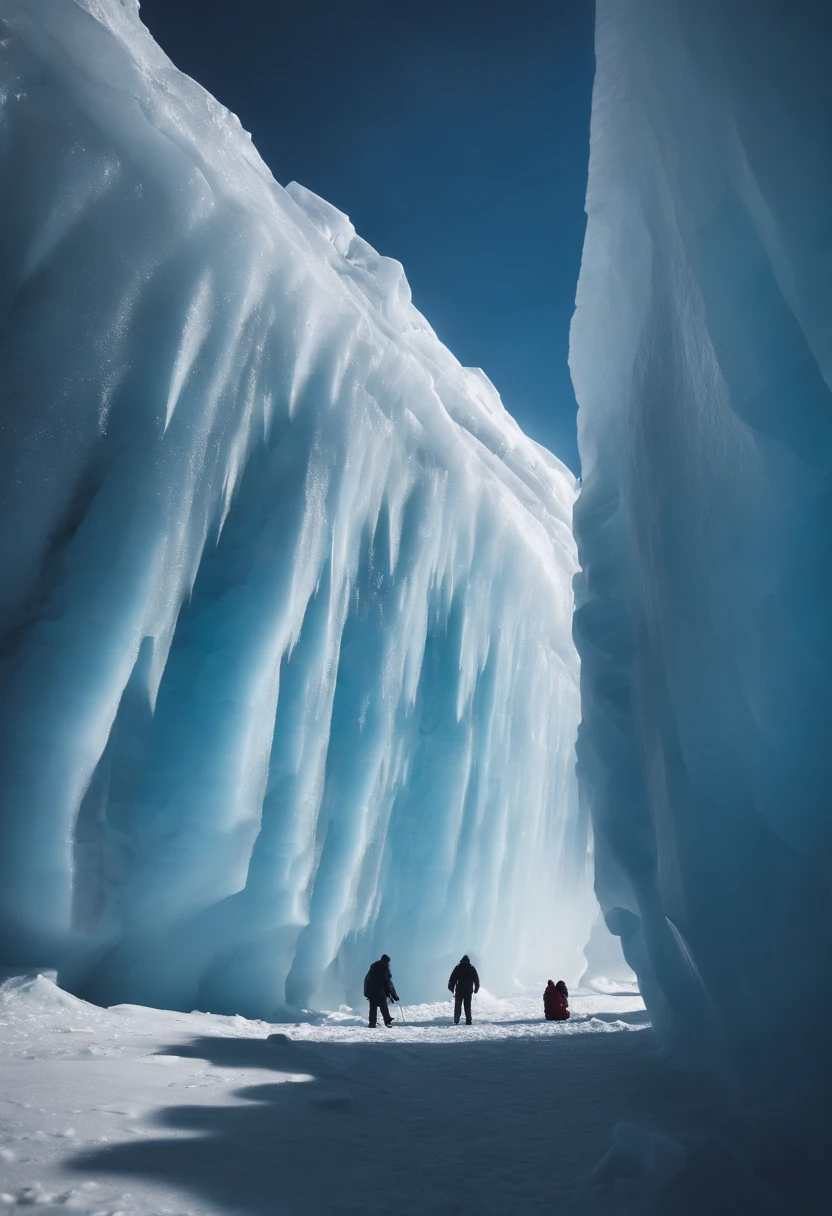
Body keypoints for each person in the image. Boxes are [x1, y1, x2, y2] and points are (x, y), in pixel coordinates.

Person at [364, 953, 399, 1027]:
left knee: (373, 1006)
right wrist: (392, 995)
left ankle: (372, 1023)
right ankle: (387, 1021)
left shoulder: (374, 965)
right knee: (383, 1005)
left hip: (370, 989)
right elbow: (385, 981)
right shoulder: (384, 966)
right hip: (377, 989)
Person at [448, 954, 480, 1025]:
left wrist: (451, 988)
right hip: (468, 991)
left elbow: (452, 979)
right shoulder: (471, 968)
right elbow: (476, 980)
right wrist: (476, 989)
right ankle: (468, 1020)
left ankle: (456, 1019)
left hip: (459, 990)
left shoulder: (458, 968)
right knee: (467, 1006)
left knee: (458, 1005)